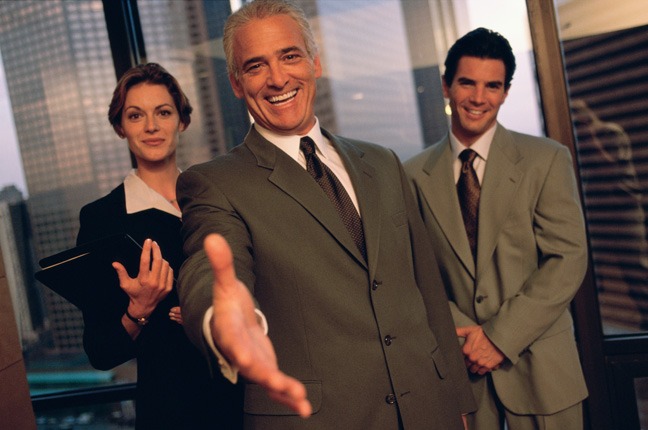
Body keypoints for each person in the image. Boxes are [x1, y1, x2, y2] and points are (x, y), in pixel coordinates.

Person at [175, 0, 475, 429]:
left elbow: (428, 292)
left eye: (290, 56)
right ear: (237, 83)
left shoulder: (383, 163)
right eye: (256, 66)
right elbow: (211, 268)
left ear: (316, 62)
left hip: (430, 410)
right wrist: (224, 320)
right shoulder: (214, 184)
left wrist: (459, 404)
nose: (278, 79)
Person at [404, 28, 589, 429]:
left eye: (493, 86)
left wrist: (499, 338)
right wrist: (466, 336)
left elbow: (568, 259)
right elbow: (416, 274)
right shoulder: (412, 175)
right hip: (462, 372)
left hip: (542, 369)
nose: (478, 97)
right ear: (446, 86)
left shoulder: (546, 160)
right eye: (467, 82)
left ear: (505, 92)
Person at [76, 62, 242, 429]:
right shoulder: (101, 220)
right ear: (121, 128)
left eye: (163, 112)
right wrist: (141, 308)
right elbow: (100, 352)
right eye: (136, 115)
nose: (151, 126)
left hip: (246, 401)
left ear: (181, 121)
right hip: (172, 410)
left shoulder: (216, 198)